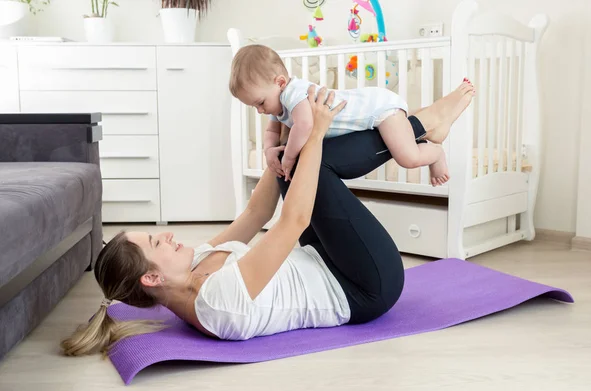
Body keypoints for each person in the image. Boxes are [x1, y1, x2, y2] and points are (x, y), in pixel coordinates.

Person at [60, 83, 473, 356]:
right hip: (364, 287)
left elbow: (257, 212)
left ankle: (418, 127)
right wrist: (314, 133)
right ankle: (421, 126)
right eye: (155, 245)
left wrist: (275, 155)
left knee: (294, 164)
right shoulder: (216, 300)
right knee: (319, 159)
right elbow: (292, 221)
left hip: (324, 261)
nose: (166, 236)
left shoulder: (196, 263)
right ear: (151, 278)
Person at [228, 44, 475, 186]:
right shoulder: (278, 102)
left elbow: (304, 126)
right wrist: (268, 150)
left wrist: (288, 157)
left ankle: (435, 152)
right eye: (254, 107)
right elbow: (272, 131)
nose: (260, 110)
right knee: (402, 135)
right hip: (371, 112)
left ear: (280, 82)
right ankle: (426, 118)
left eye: (260, 102)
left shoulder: (294, 93)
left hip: (379, 110)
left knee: (408, 157)